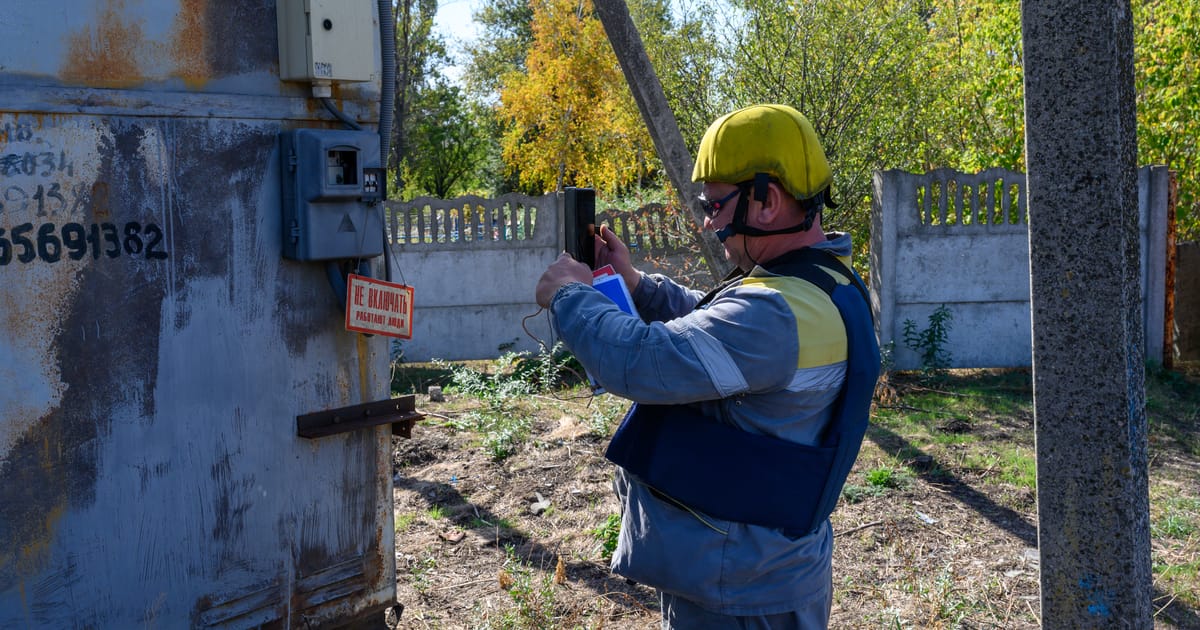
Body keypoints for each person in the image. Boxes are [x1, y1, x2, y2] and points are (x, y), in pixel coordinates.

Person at [535, 104, 879, 629]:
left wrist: (569, 298)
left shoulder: (774, 311)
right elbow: (717, 327)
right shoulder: (824, 285)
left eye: (716, 205)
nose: (708, 221)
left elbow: (640, 363)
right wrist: (636, 287)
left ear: (767, 200)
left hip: (740, 589)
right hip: (768, 570)